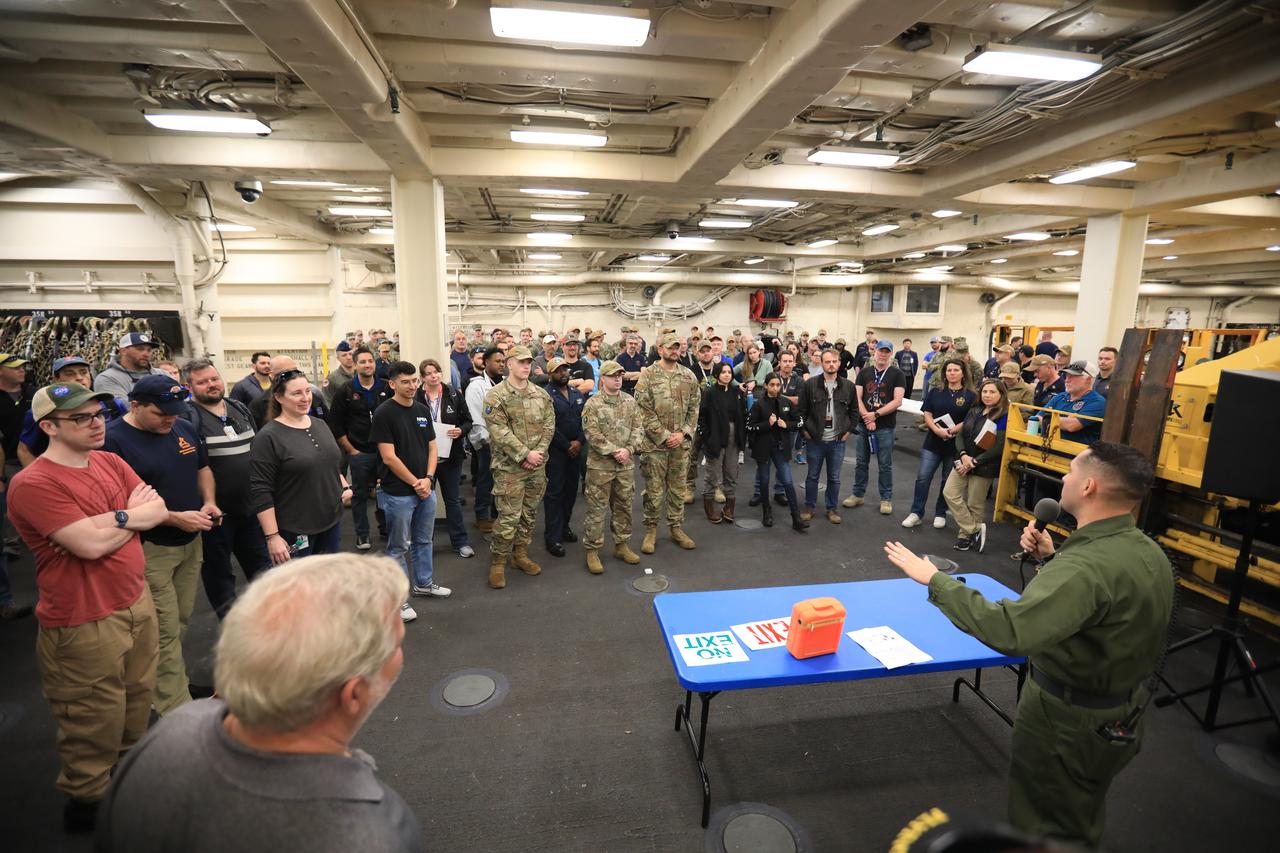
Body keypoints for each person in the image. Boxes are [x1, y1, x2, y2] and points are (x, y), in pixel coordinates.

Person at [885, 442, 1174, 849]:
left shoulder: (1087, 566)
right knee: (1077, 810)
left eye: (1072, 472)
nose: (1064, 478)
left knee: (1043, 825)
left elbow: (1010, 631)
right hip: (1117, 713)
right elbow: (1103, 612)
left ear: (1089, 486)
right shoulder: (1146, 551)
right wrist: (1053, 561)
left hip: (1066, 722)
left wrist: (934, 579)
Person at [97, 553, 425, 852]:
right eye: (397, 644)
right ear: (353, 695)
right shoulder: (375, 833)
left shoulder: (170, 735)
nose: (401, 652)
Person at [7, 383, 167, 832]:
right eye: (80, 418)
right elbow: (88, 547)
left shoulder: (110, 461)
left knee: (136, 706)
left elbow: (157, 509)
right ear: (49, 427)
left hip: (135, 603)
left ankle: (124, 786)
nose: (96, 422)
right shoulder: (33, 484)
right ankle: (89, 803)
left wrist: (112, 522)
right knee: (92, 720)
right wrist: (126, 517)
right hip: (82, 620)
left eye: (98, 414)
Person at [103, 375, 217, 717]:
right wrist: (174, 518)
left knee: (180, 620)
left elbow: (203, 467)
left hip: (190, 540)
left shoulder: (181, 426)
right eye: (161, 412)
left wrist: (208, 501)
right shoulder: (113, 441)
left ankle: (167, 684)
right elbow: (119, 506)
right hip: (149, 547)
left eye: (174, 411)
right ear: (135, 405)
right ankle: (176, 709)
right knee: (163, 630)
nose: (170, 418)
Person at [183, 359, 270, 621]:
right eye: (202, 382)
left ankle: (267, 626)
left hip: (251, 510)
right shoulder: (188, 418)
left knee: (263, 571)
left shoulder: (239, 408)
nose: (211, 385)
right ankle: (231, 629)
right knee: (220, 576)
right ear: (189, 386)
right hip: (216, 517)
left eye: (214, 379)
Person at [249, 370, 352, 565]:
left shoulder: (320, 424)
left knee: (327, 581)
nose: (306, 398)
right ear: (278, 397)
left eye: (308, 391)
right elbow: (260, 490)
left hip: (330, 521)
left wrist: (344, 485)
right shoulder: (268, 437)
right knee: (301, 589)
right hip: (295, 529)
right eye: (297, 393)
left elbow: (328, 462)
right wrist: (272, 537)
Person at [374, 361, 447, 620]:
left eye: (414, 380)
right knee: (397, 546)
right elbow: (389, 457)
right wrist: (416, 483)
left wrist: (428, 478)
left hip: (425, 488)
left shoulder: (421, 409)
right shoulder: (384, 413)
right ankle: (400, 599)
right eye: (405, 381)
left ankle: (424, 584)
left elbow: (432, 447)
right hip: (398, 492)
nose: (412, 385)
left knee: (424, 540)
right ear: (393, 384)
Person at [483, 346, 555, 590]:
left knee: (529, 514)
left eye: (528, 362)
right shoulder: (496, 396)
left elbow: (549, 426)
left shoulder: (541, 394)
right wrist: (525, 454)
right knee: (508, 517)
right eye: (521, 362)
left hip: (536, 466)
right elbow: (499, 431)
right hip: (509, 468)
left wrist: (538, 454)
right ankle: (498, 562)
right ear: (509, 364)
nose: (526, 366)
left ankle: (520, 555)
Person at [635, 332, 700, 553]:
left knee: (677, 488)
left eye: (677, 347)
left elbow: (694, 408)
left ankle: (676, 527)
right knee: (653, 490)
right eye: (670, 347)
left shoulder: (688, 376)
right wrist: (664, 435)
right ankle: (651, 530)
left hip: (680, 445)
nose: (674, 350)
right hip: (655, 446)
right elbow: (643, 409)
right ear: (660, 349)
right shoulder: (649, 376)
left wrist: (683, 433)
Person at [581, 361, 642, 574]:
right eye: (613, 375)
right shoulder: (593, 404)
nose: (617, 378)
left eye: (620, 375)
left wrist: (629, 449)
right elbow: (592, 434)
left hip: (625, 465)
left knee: (624, 506)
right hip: (601, 467)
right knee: (596, 510)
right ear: (603, 379)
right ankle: (592, 550)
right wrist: (615, 451)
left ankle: (621, 545)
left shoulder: (629, 401)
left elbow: (638, 429)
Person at [330, 347, 392, 550]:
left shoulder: (386, 388)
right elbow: (336, 425)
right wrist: (352, 451)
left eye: (370, 361)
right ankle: (363, 534)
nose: (367, 365)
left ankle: (386, 528)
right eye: (363, 362)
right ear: (355, 365)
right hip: (359, 452)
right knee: (359, 496)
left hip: (385, 452)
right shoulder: (345, 391)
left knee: (386, 491)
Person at [416, 359, 475, 558]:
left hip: (451, 458)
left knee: (452, 501)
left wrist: (461, 430)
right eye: (429, 373)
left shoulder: (453, 394)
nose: (434, 376)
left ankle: (460, 542)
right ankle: (426, 543)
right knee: (426, 502)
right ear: (422, 378)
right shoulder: (416, 397)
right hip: (425, 460)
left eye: (437, 372)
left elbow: (468, 421)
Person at [907, 361, 975, 530]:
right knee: (923, 478)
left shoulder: (971, 395)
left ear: (963, 373)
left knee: (947, 480)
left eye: (956, 370)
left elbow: (971, 418)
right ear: (945, 374)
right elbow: (927, 413)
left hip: (956, 445)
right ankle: (916, 513)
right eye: (949, 370)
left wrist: (955, 429)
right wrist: (936, 430)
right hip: (933, 442)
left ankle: (940, 513)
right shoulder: (936, 392)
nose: (952, 373)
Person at [943, 379, 1009, 553]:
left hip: (984, 465)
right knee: (949, 493)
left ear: (1001, 394)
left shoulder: (1004, 415)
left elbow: (999, 445)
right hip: (964, 460)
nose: (987, 395)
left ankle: (964, 537)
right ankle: (974, 530)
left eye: (992, 392)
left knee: (975, 503)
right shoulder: (974, 410)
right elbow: (960, 435)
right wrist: (964, 455)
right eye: (985, 391)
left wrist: (974, 462)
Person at [845, 340, 906, 516]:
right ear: (875, 352)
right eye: (880, 351)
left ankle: (886, 498)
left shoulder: (897, 374)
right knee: (861, 462)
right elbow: (857, 397)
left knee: (885, 464)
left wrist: (876, 415)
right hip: (864, 425)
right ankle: (858, 494)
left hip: (885, 427)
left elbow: (897, 401)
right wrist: (867, 416)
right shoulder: (864, 373)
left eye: (887, 352)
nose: (883, 354)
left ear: (890, 354)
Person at [796, 348, 855, 524]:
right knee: (812, 476)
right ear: (821, 363)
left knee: (834, 478)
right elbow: (801, 412)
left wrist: (848, 432)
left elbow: (854, 413)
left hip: (837, 441)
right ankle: (809, 506)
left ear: (839, 363)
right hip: (815, 440)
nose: (831, 365)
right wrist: (805, 432)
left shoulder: (849, 386)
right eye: (827, 361)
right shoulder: (810, 385)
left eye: (834, 361)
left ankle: (832, 508)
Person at [745, 372, 807, 532]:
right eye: (771, 385)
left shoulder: (786, 402)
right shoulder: (758, 404)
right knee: (764, 480)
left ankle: (796, 517)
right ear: (765, 386)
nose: (775, 388)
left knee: (787, 481)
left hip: (781, 448)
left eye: (778, 385)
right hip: (763, 448)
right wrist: (768, 424)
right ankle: (767, 511)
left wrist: (787, 425)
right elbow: (749, 426)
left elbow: (799, 421)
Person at [0, 351, 33, 618]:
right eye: (14, 367)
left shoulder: (32, 394)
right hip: (9, 461)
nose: (21, 370)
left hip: (34, 457)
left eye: (22, 366)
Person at [542, 359, 586, 557]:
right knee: (554, 494)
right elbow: (548, 425)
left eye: (565, 370)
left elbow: (586, 420)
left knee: (570, 491)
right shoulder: (545, 395)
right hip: (557, 452)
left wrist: (579, 441)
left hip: (576, 449)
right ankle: (552, 536)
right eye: (558, 371)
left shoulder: (576, 393)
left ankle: (564, 526)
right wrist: (567, 445)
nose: (563, 373)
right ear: (550, 374)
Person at [699, 362, 746, 524]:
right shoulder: (709, 392)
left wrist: (741, 437)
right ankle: (710, 507)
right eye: (723, 372)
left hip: (734, 436)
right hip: (716, 437)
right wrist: (707, 437)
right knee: (712, 473)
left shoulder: (736, 392)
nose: (727, 374)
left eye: (729, 372)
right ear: (717, 374)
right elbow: (702, 417)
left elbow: (743, 415)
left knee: (731, 472)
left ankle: (729, 507)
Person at [465, 347, 506, 534]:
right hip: (487, 442)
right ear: (486, 363)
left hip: (507, 442)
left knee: (502, 480)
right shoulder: (476, 386)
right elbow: (476, 417)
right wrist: (488, 440)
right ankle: (482, 516)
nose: (501, 364)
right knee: (486, 479)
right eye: (497, 361)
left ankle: (497, 514)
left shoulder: (507, 384)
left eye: (503, 361)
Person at [247, 355, 330, 430]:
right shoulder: (258, 405)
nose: (291, 377)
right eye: (284, 374)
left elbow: (327, 425)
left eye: (295, 371)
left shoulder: (314, 395)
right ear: (271, 377)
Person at [1043, 361, 1107, 446]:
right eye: (1067, 376)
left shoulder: (1098, 402)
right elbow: (1037, 418)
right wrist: (1063, 420)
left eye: (1073, 376)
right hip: (1047, 449)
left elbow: (1071, 426)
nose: (1067, 380)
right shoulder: (1060, 396)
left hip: (1073, 455)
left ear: (1088, 379)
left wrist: (1048, 419)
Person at [94, 332, 170, 397]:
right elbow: (126, 408)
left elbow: (179, 401)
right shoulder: (107, 378)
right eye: (140, 349)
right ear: (123, 351)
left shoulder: (163, 374)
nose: (146, 354)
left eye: (149, 350)